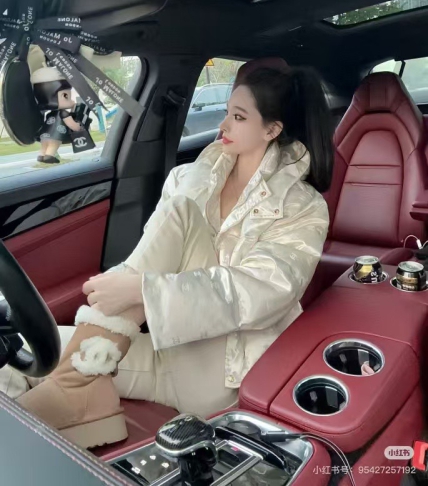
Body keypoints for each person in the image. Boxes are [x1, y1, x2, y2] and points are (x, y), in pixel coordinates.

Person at [0, 63, 334, 449]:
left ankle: (76, 388)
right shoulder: (187, 177)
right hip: (162, 349)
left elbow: (263, 290)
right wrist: (134, 289)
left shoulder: (303, 206)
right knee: (17, 350)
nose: (223, 125)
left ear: (272, 130)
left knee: (181, 212)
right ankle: (68, 398)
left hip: (221, 370)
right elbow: (155, 256)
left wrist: (141, 291)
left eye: (239, 117)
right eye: (227, 111)